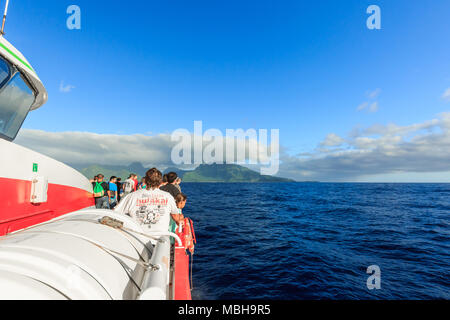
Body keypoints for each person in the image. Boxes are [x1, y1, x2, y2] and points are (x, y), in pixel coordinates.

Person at [115, 168, 180, 233]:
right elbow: (176, 217)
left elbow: (115, 212)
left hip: (138, 238)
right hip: (161, 239)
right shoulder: (168, 197)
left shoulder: (132, 196)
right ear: (160, 182)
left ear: (145, 181)